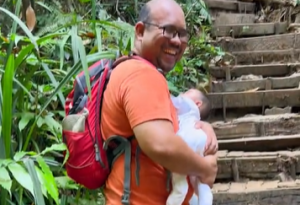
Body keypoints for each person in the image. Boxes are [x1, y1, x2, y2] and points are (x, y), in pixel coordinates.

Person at [100, 0, 219, 204]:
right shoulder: (141, 75)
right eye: (168, 30)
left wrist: (203, 126)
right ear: (139, 31)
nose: (176, 41)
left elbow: (164, 128)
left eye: (182, 34)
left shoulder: (130, 70)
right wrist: (204, 168)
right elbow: (161, 145)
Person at [167, 88, 214, 205]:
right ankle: (205, 199)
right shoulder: (196, 120)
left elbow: (169, 101)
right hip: (201, 138)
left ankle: (179, 188)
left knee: (179, 167)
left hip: (187, 137)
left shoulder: (186, 104)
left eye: (188, 92)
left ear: (197, 103)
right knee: (198, 179)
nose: (183, 93)